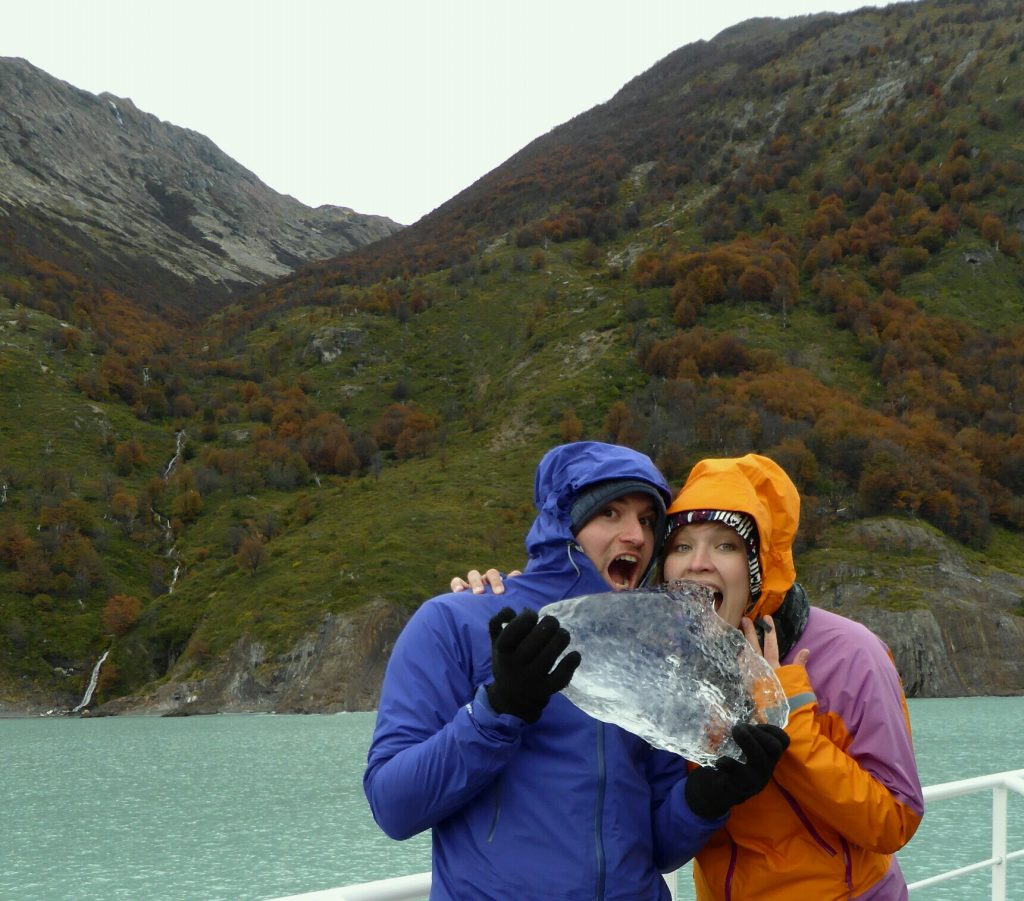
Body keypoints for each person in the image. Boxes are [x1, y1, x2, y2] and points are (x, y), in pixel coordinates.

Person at [457, 452, 924, 899]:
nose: (698, 562)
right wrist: (504, 591)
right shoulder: (673, 662)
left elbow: (894, 821)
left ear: (761, 564)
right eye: (681, 546)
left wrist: (788, 713)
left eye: (725, 545)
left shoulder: (847, 652)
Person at [364, 441, 789, 900]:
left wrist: (706, 798)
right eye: (611, 513)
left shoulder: (655, 649)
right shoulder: (454, 622)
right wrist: (498, 711)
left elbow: (656, 849)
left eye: (648, 520)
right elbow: (393, 806)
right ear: (564, 525)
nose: (637, 536)